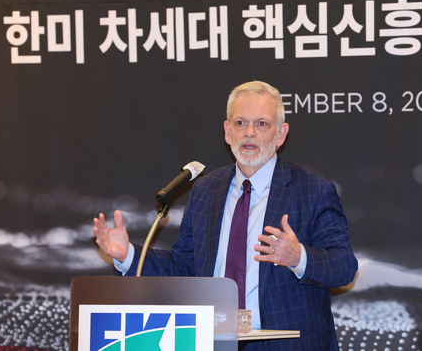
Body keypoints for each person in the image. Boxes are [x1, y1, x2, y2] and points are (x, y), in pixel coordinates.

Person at [93, 81, 358, 351]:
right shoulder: (206, 189)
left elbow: (344, 267)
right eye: (240, 123)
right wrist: (128, 255)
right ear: (227, 132)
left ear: (281, 134)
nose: (249, 133)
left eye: (262, 124)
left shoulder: (312, 189)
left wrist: (298, 257)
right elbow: (186, 266)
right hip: (215, 341)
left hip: (285, 344)